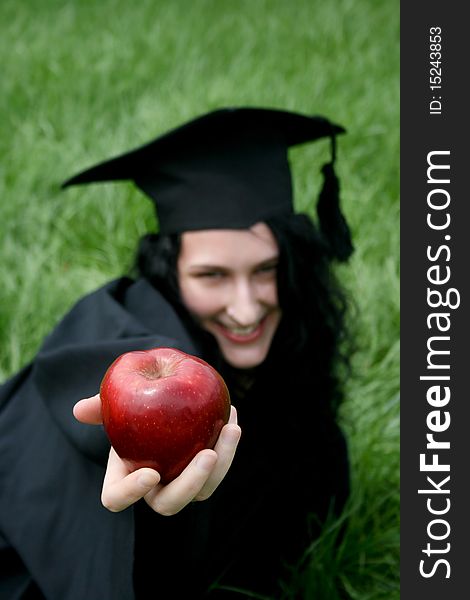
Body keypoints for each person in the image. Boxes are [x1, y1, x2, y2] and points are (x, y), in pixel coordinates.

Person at [0, 107, 354, 599]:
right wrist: (141, 448)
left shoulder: (294, 344)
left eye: (266, 270)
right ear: (171, 271)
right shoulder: (128, 329)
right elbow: (107, 367)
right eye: (213, 276)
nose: (246, 307)